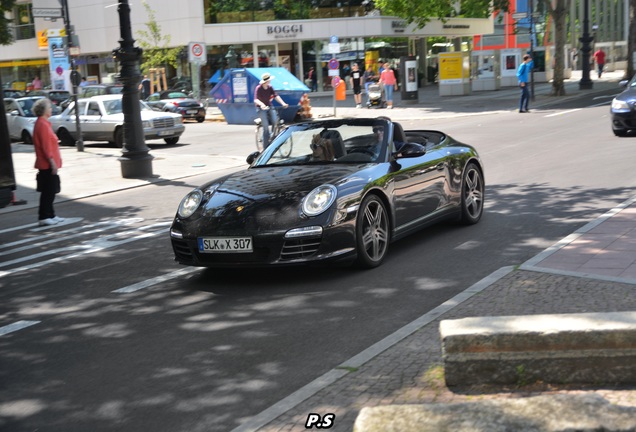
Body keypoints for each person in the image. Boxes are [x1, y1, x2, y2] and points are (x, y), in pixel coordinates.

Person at [32, 98, 63, 226]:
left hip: (49, 163)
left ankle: (51, 214)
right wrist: (52, 162)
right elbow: (46, 147)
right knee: (48, 191)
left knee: (50, 190)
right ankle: (44, 216)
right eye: (49, 107)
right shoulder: (42, 125)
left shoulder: (44, 123)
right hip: (46, 164)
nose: (51, 109)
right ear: (44, 110)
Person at [254, 72, 288, 148]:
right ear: (265, 81)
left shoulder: (270, 87)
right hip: (261, 108)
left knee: (275, 121)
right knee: (265, 126)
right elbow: (256, 99)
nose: (269, 81)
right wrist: (262, 105)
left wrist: (283, 103)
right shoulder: (258, 88)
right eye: (269, 80)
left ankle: (272, 138)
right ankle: (265, 148)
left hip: (269, 106)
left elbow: (275, 96)